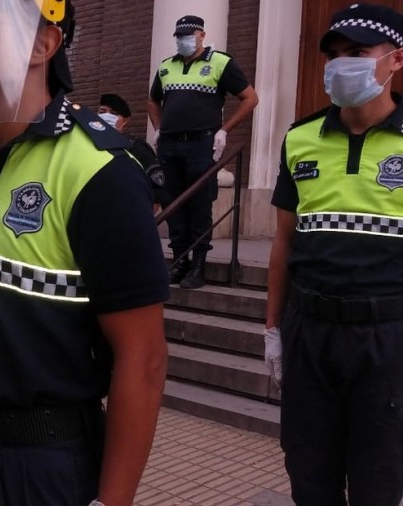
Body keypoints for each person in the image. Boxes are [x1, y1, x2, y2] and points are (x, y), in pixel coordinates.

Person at [0, 1, 169, 504]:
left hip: (43, 465)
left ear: (44, 44)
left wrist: (112, 501)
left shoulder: (98, 173)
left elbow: (143, 359)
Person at [264, 4, 403, 505]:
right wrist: (273, 329)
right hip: (310, 333)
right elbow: (284, 243)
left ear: (395, 59)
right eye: (334, 55)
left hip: (387, 336)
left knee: (379, 481)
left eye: (358, 54)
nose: (342, 65)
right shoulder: (300, 138)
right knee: (310, 477)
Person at [147, 14, 258, 289]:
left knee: (199, 203)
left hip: (201, 144)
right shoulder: (166, 66)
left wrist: (225, 130)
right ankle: (180, 259)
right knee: (172, 202)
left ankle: (198, 263)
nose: (183, 40)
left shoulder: (221, 63)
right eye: (179, 36)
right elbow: (153, 100)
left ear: (202, 35)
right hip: (169, 144)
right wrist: (158, 128)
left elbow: (250, 98)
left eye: (189, 34)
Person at [98, 93, 168, 212]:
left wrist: (142, 219)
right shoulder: (90, 146)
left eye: (114, 113)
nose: (106, 116)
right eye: (102, 112)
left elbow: (157, 189)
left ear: (124, 121)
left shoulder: (136, 147)